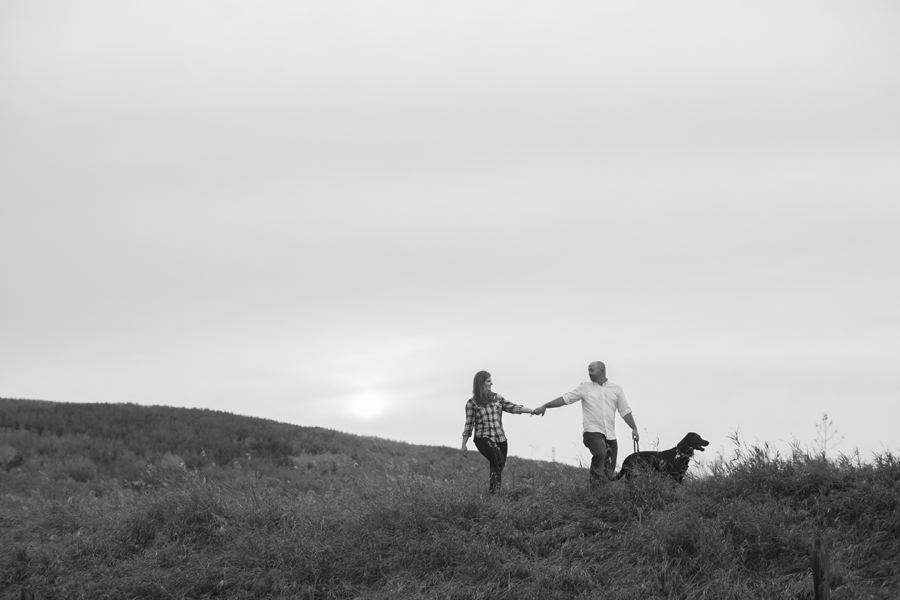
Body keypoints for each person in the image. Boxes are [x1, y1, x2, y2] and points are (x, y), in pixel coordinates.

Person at [533, 361, 639, 482]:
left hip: (610, 434)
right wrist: (546, 405)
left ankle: (602, 495)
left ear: (601, 371)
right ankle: (594, 490)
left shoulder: (616, 389)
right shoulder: (585, 387)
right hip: (592, 431)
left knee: (609, 469)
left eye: (592, 370)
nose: (589, 373)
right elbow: (565, 399)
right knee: (600, 452)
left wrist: (634, 428)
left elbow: (625, 411)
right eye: (588, 370)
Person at [461, 370, 539, 494]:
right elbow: (469, 424)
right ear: (481, 383)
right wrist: (464, 444)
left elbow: (513, 407)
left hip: (500, 438)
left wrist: (532, 411)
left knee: (498, 465)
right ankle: (494, 495)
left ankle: (494, 496)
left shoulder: (497, 398)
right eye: (488, 381)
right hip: (483, 437)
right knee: (497, 460)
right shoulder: (472, 403)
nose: (491, 384)